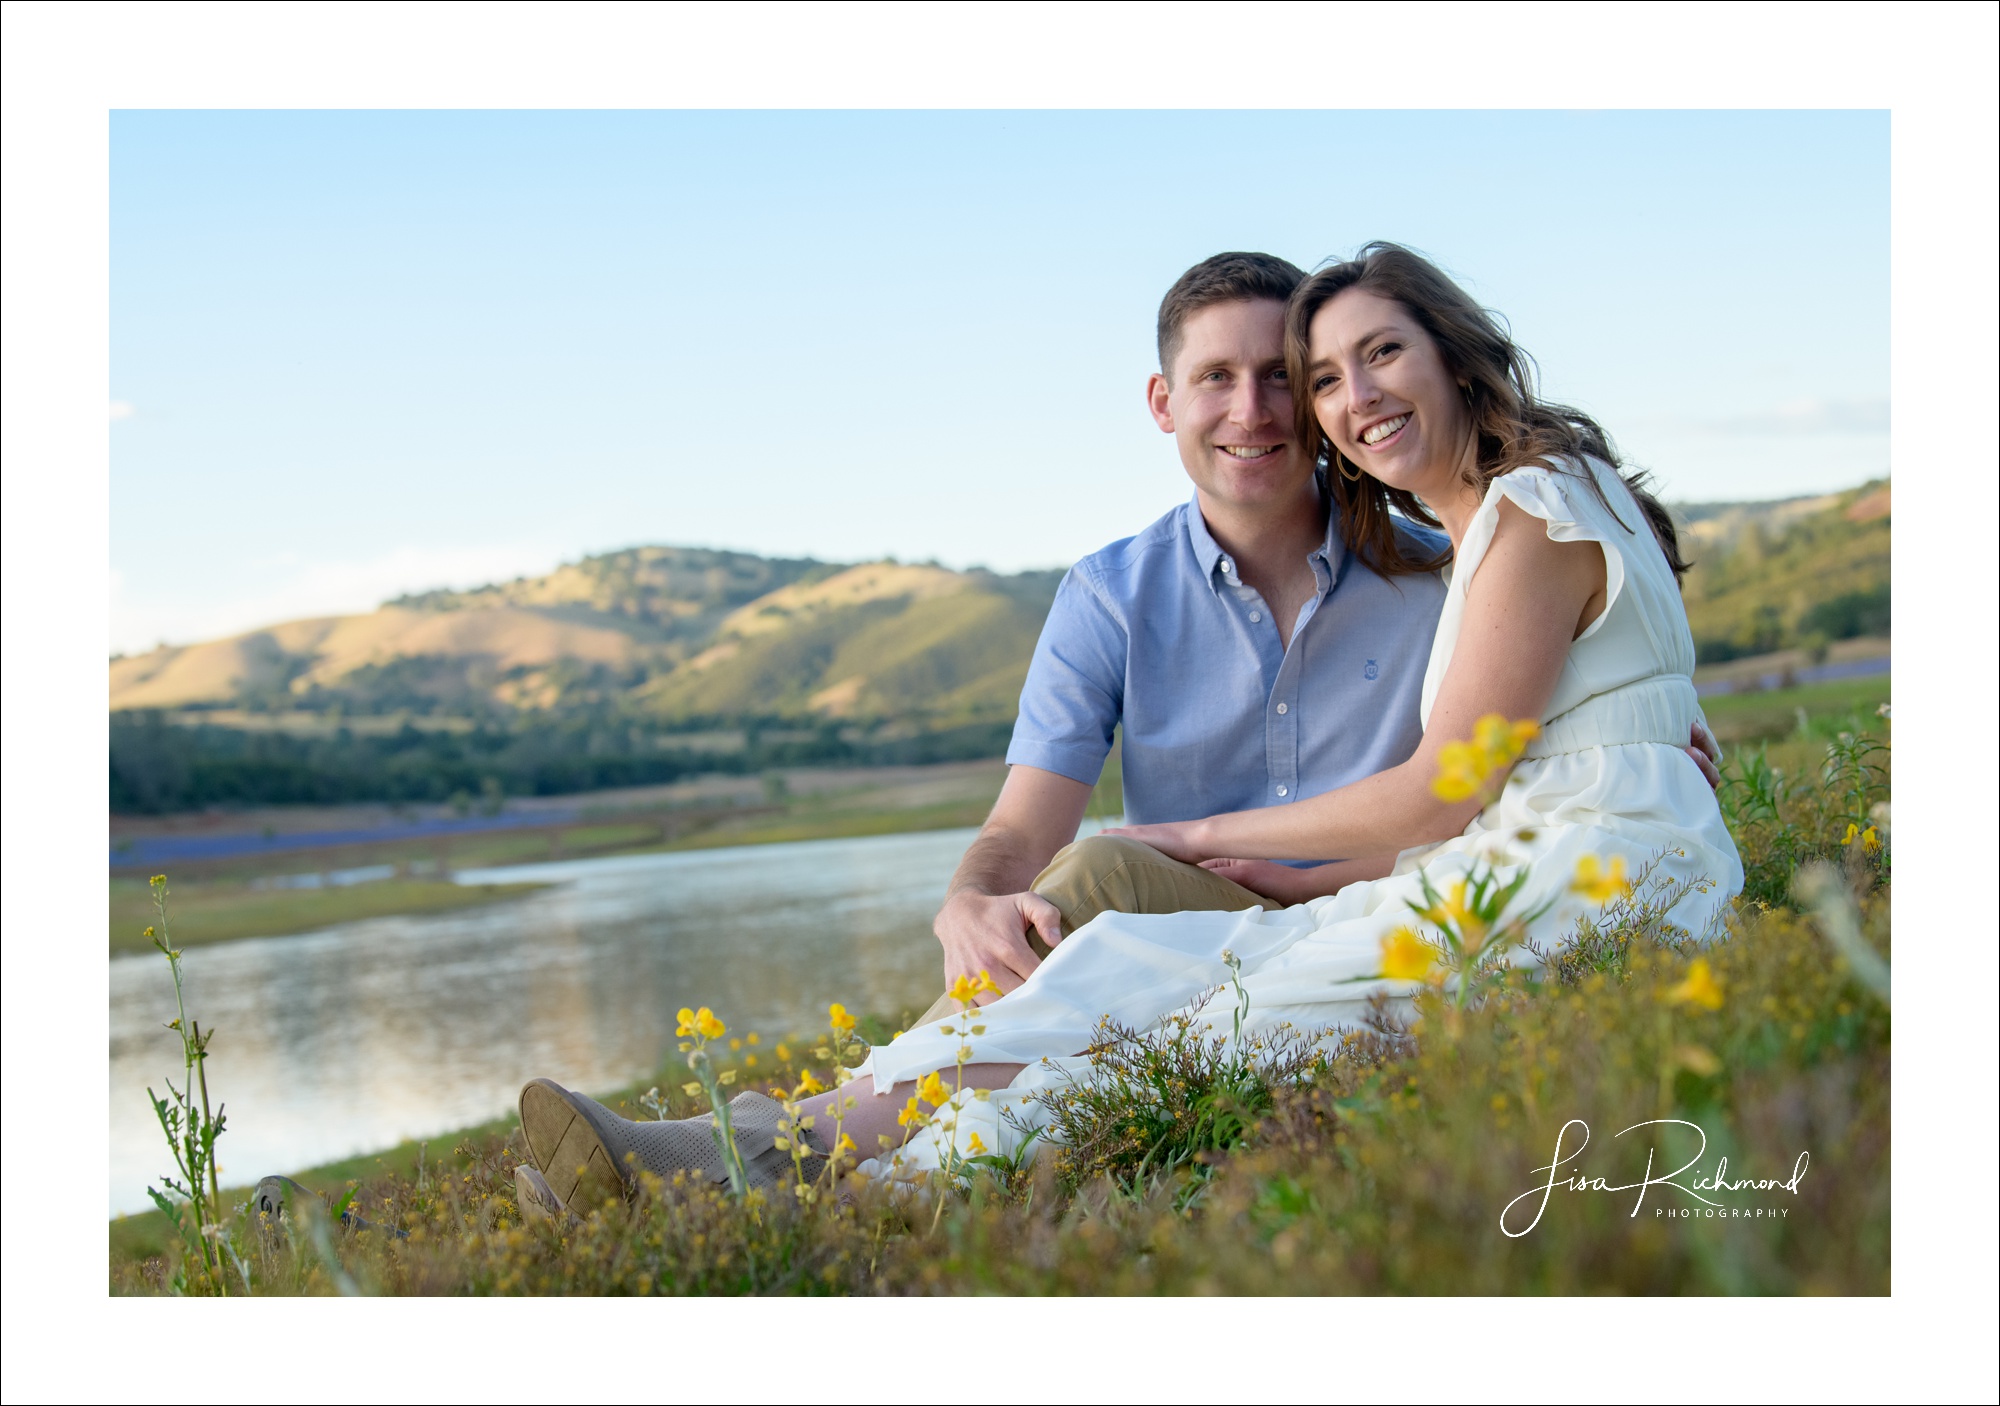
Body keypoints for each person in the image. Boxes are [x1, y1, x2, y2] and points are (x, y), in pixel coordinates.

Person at [509, 244, 1735, 1210]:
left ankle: (759, 1167)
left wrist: (1637, 746)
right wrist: (967, 897)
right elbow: (1017, 826)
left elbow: (1489, 755)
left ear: (1443, 358)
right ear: (1164, 399)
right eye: (1232, 376)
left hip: (1419, 872)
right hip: (1326, 878)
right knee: (1080, 888)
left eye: (1297, 375)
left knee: (1151, 974)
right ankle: (742, 1153)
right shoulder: (1111, 593)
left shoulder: (1450, 548)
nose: (1268, 407)